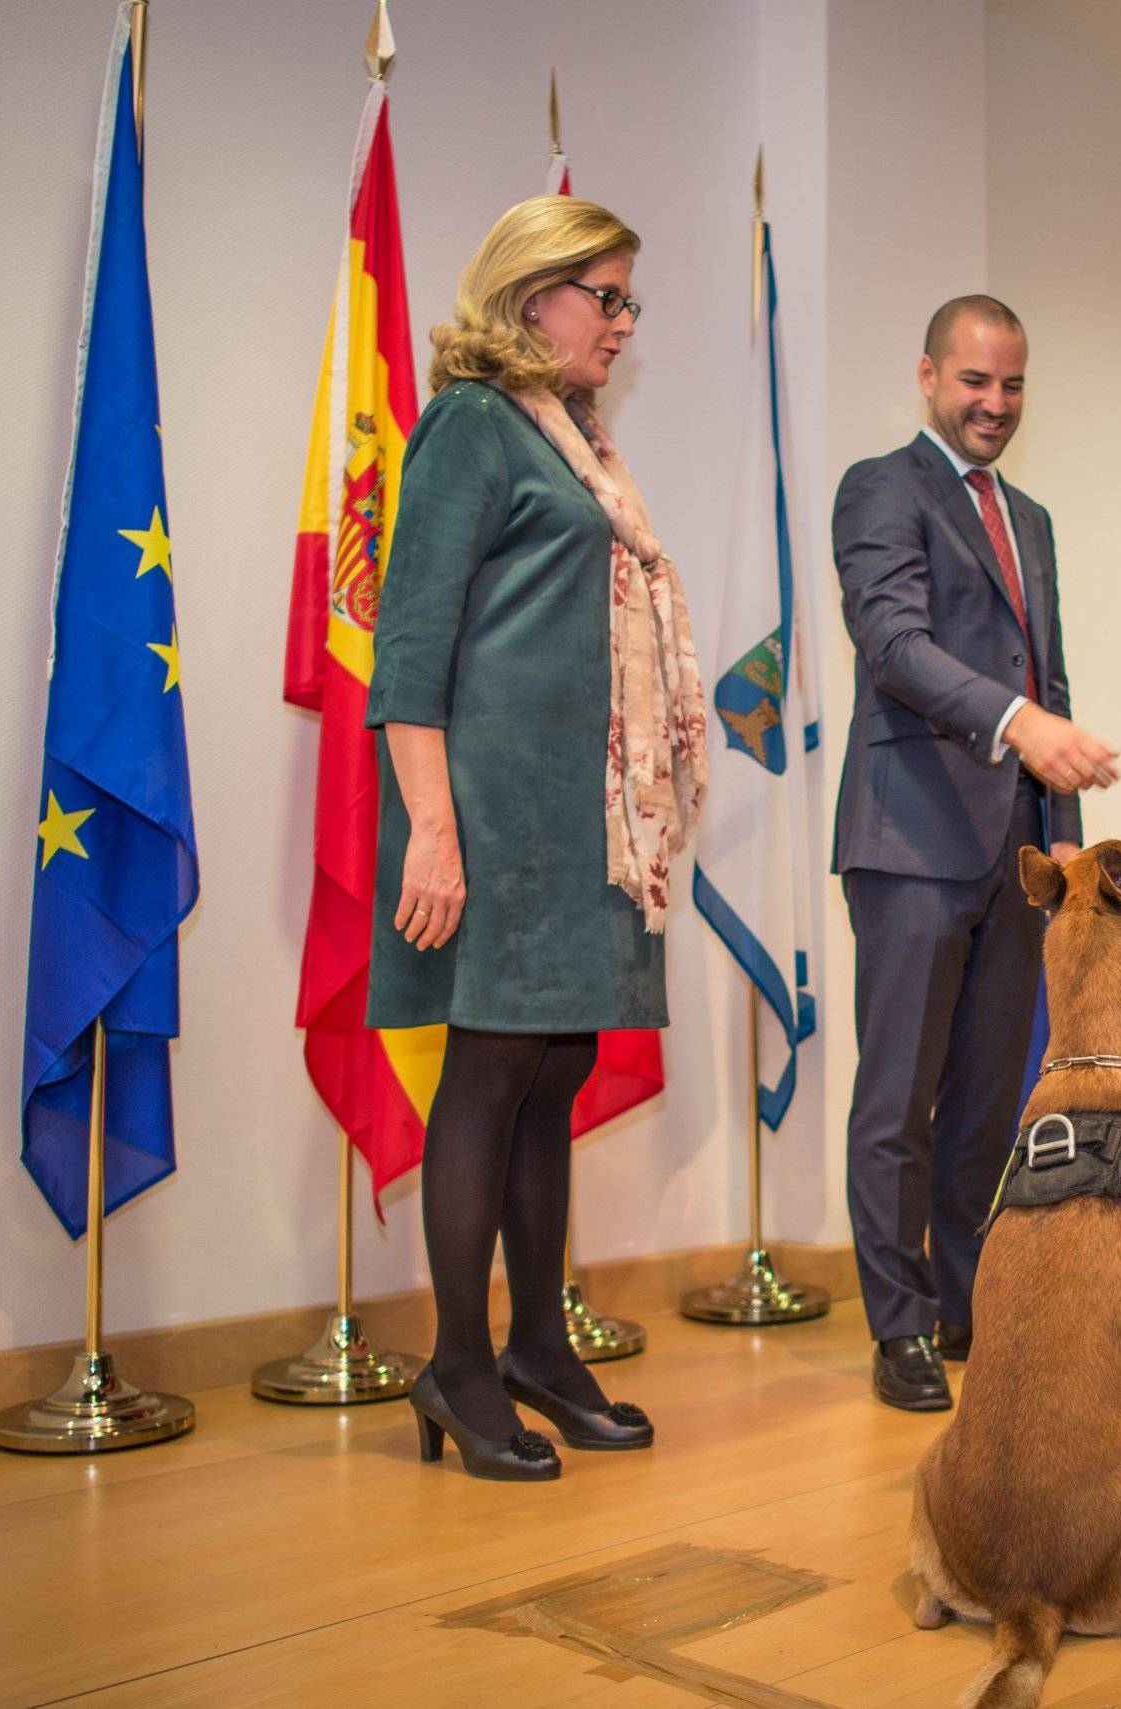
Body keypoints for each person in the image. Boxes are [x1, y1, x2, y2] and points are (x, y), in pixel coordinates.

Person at [367, 196, 703, 1481]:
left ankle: (536, 1349)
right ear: (530, 298)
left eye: (628, 302)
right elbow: (410, 646)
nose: (621, 323)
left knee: (553, 1078)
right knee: (489, 1074)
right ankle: (456, 1362)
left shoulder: (576, 442)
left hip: (589, 819)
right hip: (497, 814)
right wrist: (433, 835)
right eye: (604, 297)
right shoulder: (467, 425)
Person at [832, 296, 1121, 1412]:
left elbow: (1044, 680)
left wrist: (1067, 860)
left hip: (1014, 851)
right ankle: (897, 1324)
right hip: (908, 836)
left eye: (1012, 385)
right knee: (898, 1098)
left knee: (991, 1102)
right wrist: (1018, 723)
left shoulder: (1031, 516)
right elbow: (894, 642)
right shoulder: (879, 487)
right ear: (926, 375)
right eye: (974, 383)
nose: (994, 404)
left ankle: (965, 1305)